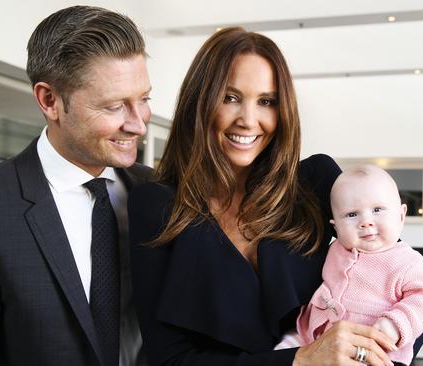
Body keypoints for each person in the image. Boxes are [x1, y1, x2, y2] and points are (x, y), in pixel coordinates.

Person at [129, 27, 405, 366]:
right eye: (229, 98)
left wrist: (378, 353)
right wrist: (300, 360)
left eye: (266, 102)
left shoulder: (316, 182)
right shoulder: (156, 206)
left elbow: (411, 277)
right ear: (199, 102)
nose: (248, 120)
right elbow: (169, 360)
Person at [0, 6, 151, 365]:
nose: (138, 125)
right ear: (50, 101)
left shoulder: (159, 193)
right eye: (114, 106)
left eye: (144, 100)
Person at [275, 165, 423, 366]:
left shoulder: (408, 262)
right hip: (313, 335)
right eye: (352, 215)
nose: (366, 222)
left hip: (372, 347)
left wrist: (396, 324)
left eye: (377, 210)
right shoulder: (335, 249)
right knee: (285, 349)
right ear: (336, 226)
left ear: (401, 216)